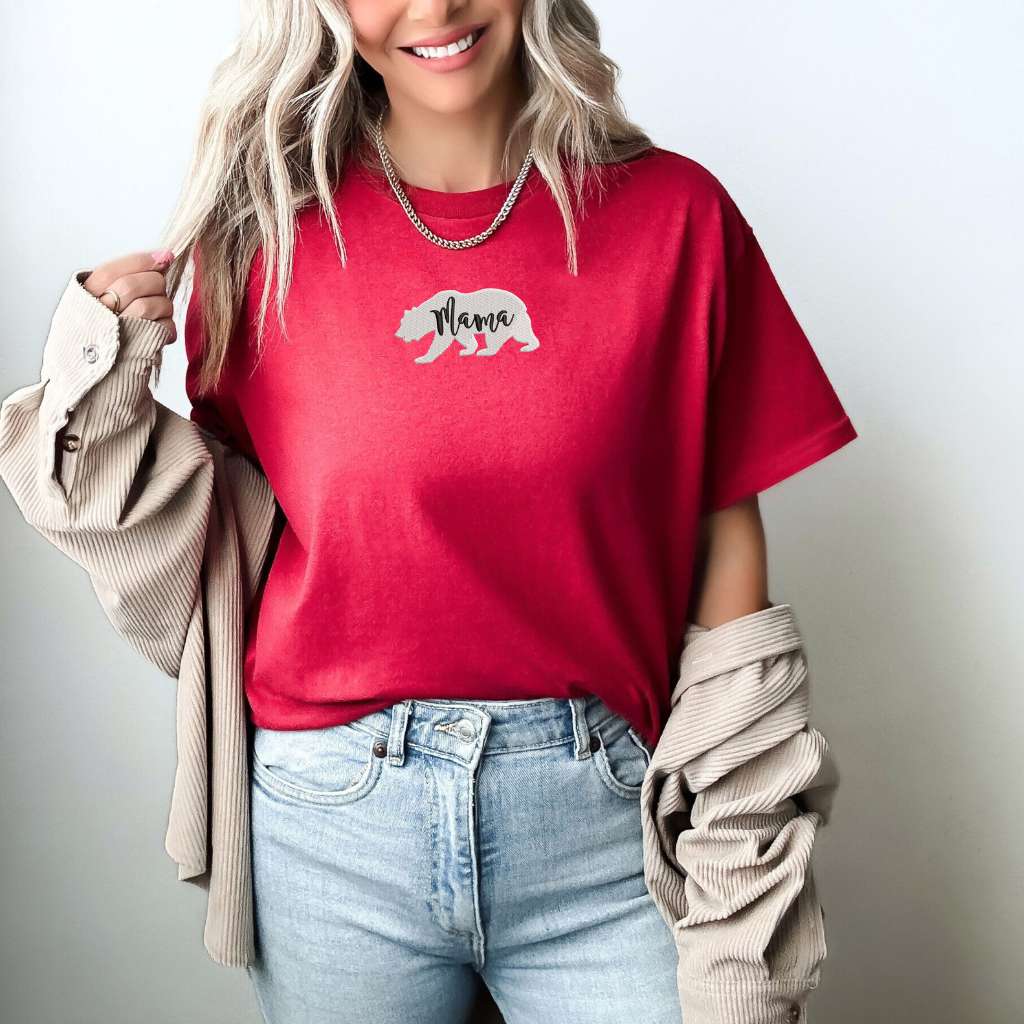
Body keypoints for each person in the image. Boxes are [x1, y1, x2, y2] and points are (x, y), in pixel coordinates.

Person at [1, 2, 858, 1022]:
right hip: (332, 823)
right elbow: (205, 572)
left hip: (607, 826)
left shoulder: (676, 218)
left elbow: (728, 557)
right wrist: (95, 378)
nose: (438, 7)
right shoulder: (261, 236)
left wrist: (740, 842)